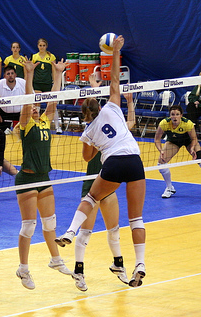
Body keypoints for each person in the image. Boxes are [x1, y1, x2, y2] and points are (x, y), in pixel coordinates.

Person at [55, 36, 147, 288]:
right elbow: (115, 79)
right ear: (99, 105)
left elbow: (87, 158)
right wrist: (116, 51)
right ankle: (140, 263)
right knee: (136, 219)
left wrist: (93, 142)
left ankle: (70, 231)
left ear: (85, 115)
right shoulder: (112, 108)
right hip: (135, 159)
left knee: (91, 198)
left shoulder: (88, 131)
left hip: (113, 164)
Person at [70, 73, 135, 291]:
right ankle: (78, 271)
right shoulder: (90, 132)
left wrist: (130, 102)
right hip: (93, 184)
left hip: (110, 183)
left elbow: (130, 124)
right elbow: (87, 158)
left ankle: (118, 265)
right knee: (85, 232)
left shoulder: (111, 124)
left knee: (114, 229)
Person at [15, 58, 71, 290]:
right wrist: (29, 75)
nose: (36, 108)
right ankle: (23, 269)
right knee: (29, 226)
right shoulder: (25, 125)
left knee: (50, 223)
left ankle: (55, 260)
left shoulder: (45, 122)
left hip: (43, 178)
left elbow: (53, 101)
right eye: (33, 106)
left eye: (38, 106)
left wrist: (58, 75)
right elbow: (28, 104)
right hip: (27, 179)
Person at [32, 38, 62, 134]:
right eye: (40, 45)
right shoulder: (34, 57)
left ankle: (57, 127)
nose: (42, 47)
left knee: (52, 105)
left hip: (48, 83)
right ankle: (37, 125)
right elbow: (32, 71)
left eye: (43, 45)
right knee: (37, 105)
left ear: (46, 46)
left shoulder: (51, 57)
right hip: (37, 83)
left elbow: (54, 71)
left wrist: (55, 83)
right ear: (38, 46)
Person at [0, 65, 29, 133]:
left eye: (12, 73)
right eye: (8, 74)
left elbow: (31, 98)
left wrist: (27, 114)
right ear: (4, 76)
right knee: (0, 133)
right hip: (3, 113)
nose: (10, 75)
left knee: (24, 133)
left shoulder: (23, 83)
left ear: (15, 75)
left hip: (20, 113)